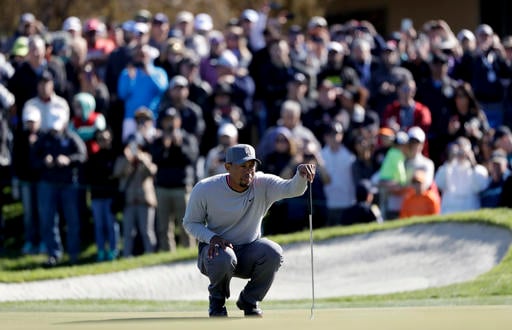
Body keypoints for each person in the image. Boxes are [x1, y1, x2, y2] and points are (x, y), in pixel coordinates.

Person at [183, 144, 316, 317]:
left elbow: (292, 189)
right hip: (214, 252)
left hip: (249, 251)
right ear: (228, 167)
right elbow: (190, 223)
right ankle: (217, 303)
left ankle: (249, 300)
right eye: (243, 166)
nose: (249, 171)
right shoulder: (205, 188)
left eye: (252, 166)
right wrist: (212, 238)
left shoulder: (263, 183)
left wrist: (300, 175)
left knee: (273, 253)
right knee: (224, 257)